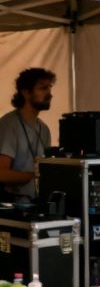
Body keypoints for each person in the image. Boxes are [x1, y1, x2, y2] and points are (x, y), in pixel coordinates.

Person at [0, 68, 56, 201]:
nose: (49, 94)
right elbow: (2, 173)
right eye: (43, 88)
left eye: (49, 88)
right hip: (12, 208)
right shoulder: (9, 125)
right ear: (26, 92)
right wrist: (34, 176)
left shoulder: (44, 129)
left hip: (36, 203)